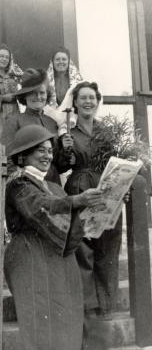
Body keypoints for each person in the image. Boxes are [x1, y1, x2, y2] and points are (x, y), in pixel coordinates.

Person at [4, 124, 105, 350]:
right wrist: (78, 201)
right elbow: (41, 207)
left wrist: (97, 207)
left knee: (61, 331)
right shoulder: (19, 185)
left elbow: (66, 224)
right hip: (29, 260)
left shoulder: (51, 185)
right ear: (22, 156)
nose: (48, 156)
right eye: (40, 150)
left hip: (55, 261)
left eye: (50, 151)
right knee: (40, 332)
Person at [57, 81, 122, 318]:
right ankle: (89, 307)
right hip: (81, 189)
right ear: (74, 102)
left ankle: (106, 304)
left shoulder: (107, 131)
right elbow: (62, 166)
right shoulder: (69, 134)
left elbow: (117, 162)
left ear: (97, 101)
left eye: (92, 98)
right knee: (83, 248)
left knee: (108, 247)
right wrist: (64, 150)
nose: (88, 102)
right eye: (83, 98)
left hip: (107, 191)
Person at [1, 68, 61, 183]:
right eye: (33, 93)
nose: (38, 97)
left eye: (42, 93)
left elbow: (57, 161)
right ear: (25, 96)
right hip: (26, 181)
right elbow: (5, 155)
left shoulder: (52, 123)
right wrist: (18, 176)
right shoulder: (14, 120)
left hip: (53, 181)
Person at [44, 46, 83, 136]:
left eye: (64, 59)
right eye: (57, 59)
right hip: (51, 120)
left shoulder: (77, 81)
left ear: (68, 61)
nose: (61, 62)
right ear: (52, 62)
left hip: (73, 120)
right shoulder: (46, 81)